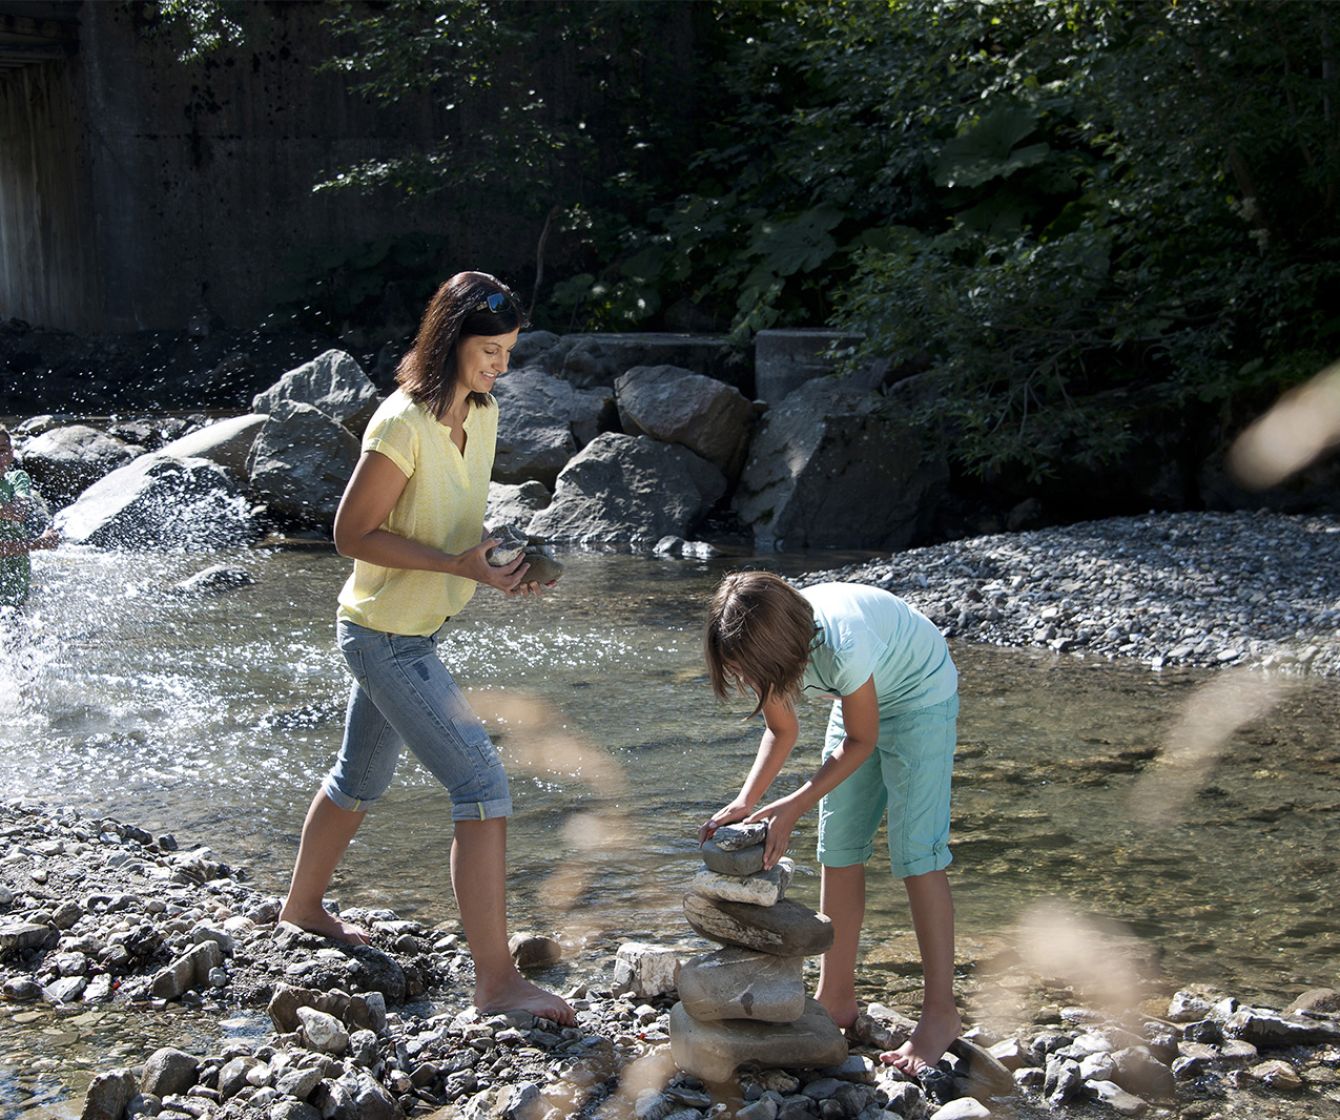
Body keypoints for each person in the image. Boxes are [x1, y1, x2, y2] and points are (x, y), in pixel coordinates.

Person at [278, 272, 573, 1025]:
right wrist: (455, 566)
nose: (501, 364)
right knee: (482, 785)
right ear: (451, 341)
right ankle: (497, 983)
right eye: (490, 350)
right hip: (384, 637)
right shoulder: (400, 425)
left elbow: (454, 525)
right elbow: (350, 535)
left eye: (508, 351)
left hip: (416, 629)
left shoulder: (483, 413)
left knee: (358, 777)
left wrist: (496, 564)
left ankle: (302, 908)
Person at [700, 571, 960, 1073]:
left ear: (779, 655)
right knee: (838, 846)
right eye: (736, 670)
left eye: (749, 672)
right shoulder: (762, 641)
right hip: (856, 697)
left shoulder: (843, 646)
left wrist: (793, 805)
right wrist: (746, 800)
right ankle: (836, 995)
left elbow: (862, 741)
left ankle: (940, 1014)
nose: (746, 681)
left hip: (919, 694)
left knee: (917, 855)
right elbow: (782, 729)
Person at [0, 425, 59, 608]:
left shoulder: (17, 479)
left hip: (16, 581)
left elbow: (18, 512)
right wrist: (39, 544)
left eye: (2, 450)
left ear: (11, 452)